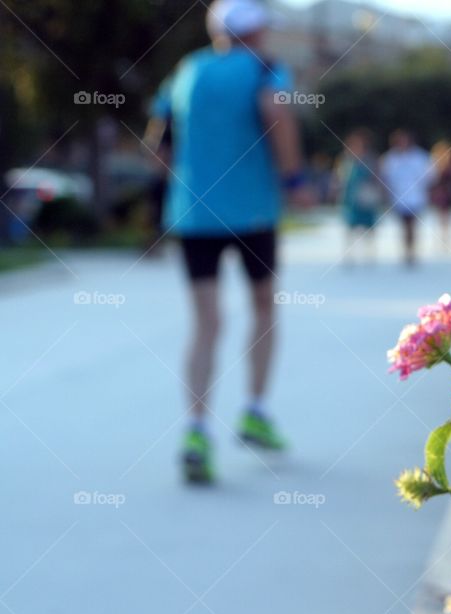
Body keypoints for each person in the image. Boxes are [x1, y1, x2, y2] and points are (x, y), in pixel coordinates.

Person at [145, 0, 312, 484]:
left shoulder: (187, 68)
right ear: (255, 30)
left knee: (205, 322)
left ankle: (196, 429)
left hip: (193, 214)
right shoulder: (263, 69)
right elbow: (276, 113)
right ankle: (255, 410)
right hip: (253, 210)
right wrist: (295, 177)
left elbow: (160, 143)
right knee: (263, 307)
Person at [380, 130, 433, 265]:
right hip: (398, 198)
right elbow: (385, 177)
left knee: (412, 225)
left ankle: (411, 251)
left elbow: (430, 175)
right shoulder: (390, 158)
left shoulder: (419, 157)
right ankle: (406, 250)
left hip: (415, 197)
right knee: (404, 226)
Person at [335, 128, 380, 264]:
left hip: (366, 198)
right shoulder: (346, 160)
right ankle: (349, 254)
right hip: (350, 199)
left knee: (369, 226)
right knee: (350, 226)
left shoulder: (370, 160)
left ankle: (369, 253)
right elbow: (339, 178)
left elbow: (376, 177)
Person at [429, 140, 451, 248]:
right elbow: (433, 179)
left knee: (446, 216)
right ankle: (443, 237)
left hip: (447, 193)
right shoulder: (436, 163)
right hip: (440, 193)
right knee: (441, 216)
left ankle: (446, 237)